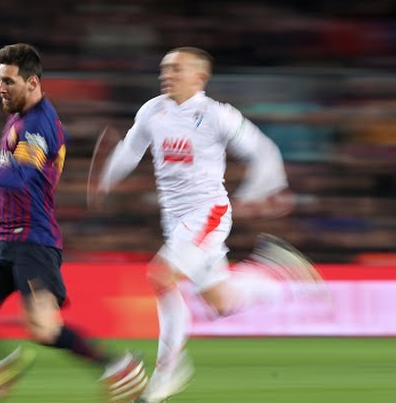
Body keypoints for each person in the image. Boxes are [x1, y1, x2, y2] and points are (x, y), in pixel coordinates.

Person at [94, 47, 323, 403]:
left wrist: (257, 191)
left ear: (199, 77)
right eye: (164, 69)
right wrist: (106, 178)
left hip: (207, 214)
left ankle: (170, 369)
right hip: (175, 220)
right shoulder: (153, 110)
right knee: (220, 302)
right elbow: (131, 147)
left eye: (177, 69)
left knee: (161, 276)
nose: (167, 75)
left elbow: (262, 150)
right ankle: (279, 276)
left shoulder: (217, 115)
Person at [0, 43, 148, 403]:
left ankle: (117, 366)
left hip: (33, 240)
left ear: (32, 83)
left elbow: (21, 176)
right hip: (0, 237)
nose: (0, 88)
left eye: (8, 81)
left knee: (45, 330)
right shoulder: (19, 117)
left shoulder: (39, 123)